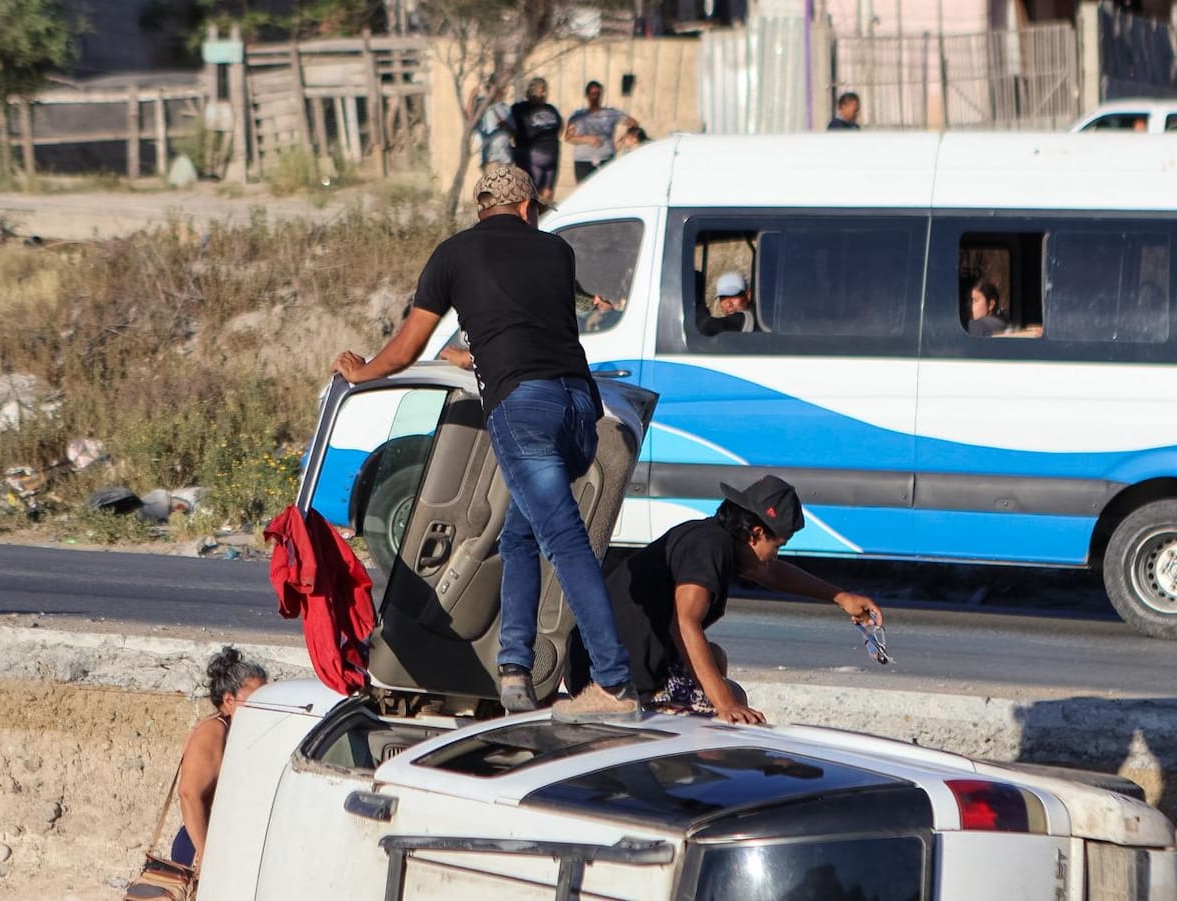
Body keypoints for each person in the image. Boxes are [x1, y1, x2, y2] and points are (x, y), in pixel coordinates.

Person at [332, 164, 639, 723]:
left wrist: (362, 371)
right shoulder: (556, 252)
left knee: (563, 540)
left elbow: (407, 347)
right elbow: (535, 333)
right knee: (519, 534)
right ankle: (515, 669)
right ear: (525, 207)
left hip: (524, 411)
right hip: (579, 408)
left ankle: (614, 683)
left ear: (482, 207)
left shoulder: (453, 255)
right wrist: (476, 358)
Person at [568, 476, 883, 724]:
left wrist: (840, 597)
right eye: (778, 546)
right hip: (614, 680)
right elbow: (684, 623)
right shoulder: (709, 549)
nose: (775, 555)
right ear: (756, 533)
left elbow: (770, 573)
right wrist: (725, 703)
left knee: (715, 657)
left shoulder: (713, 537)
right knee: (735, 698)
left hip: (604, 662)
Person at [172, 647, 267, 867]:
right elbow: (189, 794)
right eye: (256, 698)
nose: (264, 705)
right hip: (203, 846)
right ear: (229, 700)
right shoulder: (214, 730)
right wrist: (206, 855)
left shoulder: (241, 732)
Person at [564, 80, 637, 183]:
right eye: (593, 93)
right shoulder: (578, 116)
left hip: (606, 160)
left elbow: (633, 123)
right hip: (583, 162)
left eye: (598, 93)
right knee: (585, 191)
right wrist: (586, 139)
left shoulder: (610, 113)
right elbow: (568, 137)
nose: (596, 96)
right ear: (587, 95)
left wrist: (622, 140)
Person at [508, 77, 563, 203]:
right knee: (532, 193)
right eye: (540, 90)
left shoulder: (551, 108)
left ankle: (544, 214)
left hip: (552, 155)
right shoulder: (520, 109)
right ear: (531, 92)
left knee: (548, 194)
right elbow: (512, 129)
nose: (543, 94)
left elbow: (559, 126)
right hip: (531, 155)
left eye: (544, 90)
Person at [467, 80, 512, 172]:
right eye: (502, 88)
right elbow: (470, 118)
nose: (504, 91)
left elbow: (513, 135)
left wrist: (506, 126)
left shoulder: (506, 108)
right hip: (490, 159)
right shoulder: (483, 106)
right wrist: (471, 97)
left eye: (505, 88)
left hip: (506, 159)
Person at [696, 271, 756, 335]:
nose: (728, 304)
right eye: (723, 298)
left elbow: (706, 326)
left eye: (733, 296)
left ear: (748, 296)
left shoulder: (744, 318)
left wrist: (697, 302)